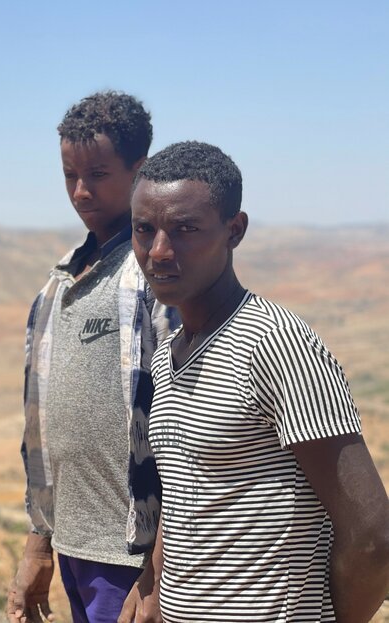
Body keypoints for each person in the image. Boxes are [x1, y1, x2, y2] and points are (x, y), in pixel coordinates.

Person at [131, 141, 389, 622]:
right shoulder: (168, 356)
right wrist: (154, 581)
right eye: (145, 230)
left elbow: (374, 535)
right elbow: (192, 497)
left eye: (185, 229)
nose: (159, 251)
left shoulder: (275, 345)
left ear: (235, 230)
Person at [6, 92, 177, 623]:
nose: (81, 191)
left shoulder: (154, 274)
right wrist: (40, 543)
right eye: (68, 175)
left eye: (98, 173)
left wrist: (157, 569)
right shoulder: (61, 281)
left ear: (139, 170)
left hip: (132, 558)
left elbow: (180, 429)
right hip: (75, 547)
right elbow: (44, 429)